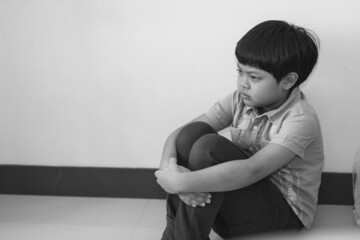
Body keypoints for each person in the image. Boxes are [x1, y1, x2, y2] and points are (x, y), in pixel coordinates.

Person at [155, 20, 323, 240]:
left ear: (288, 80)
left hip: (280, 223)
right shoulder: (241, 99)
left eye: (254, 77)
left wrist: (182, 183)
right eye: (240, 71)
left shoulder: (300, 119)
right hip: (233, 215)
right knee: (191, 135)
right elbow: (180, 134)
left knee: (209, 148)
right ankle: (177, 234)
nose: (242, 83)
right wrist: (168, 170)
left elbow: (251, 169)